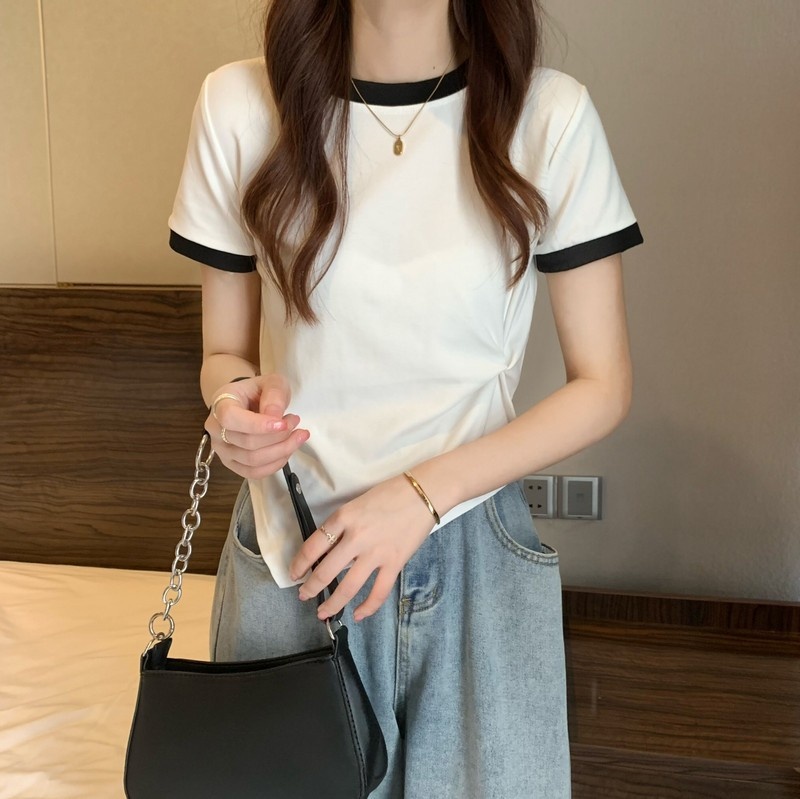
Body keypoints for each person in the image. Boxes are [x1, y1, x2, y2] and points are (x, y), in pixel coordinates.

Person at [167, 1, 643, 795]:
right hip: (294, 552)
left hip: (474, 549)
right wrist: (233, 405)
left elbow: (603, 385)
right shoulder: (239, 106)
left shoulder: (548, 116)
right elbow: (226, 356)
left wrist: (419, 497)